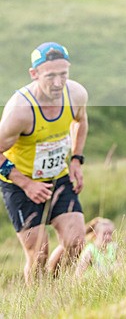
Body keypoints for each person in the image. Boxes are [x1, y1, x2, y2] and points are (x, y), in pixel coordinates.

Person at [0, 42, 90, 283]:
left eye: (63, 74)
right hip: (19, 184)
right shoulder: (20, 110)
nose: (58, 83)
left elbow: (81, 122)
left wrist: (76, 160)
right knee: (38, 253)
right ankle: (38, 300)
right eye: (50, 76)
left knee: (76, 243)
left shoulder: (76, 94)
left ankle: (54, 288)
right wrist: (26, 183)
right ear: (34, 74)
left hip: (58, 177)